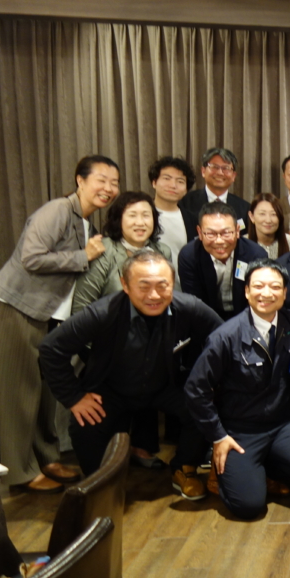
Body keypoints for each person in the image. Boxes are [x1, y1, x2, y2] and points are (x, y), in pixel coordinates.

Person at [38, 250, 222, 500]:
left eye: (162, 286)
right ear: (125, 285)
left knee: (202, 408)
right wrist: (73, 397)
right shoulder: (102, 312)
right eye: (143, 286)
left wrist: (207, 381)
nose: (154, 295)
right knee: (84, 426)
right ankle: (100, 482)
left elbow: (223, 338)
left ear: (172, 283)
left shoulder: (189, 307)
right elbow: (51, 348)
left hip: (164, 385)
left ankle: (184, 468)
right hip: (111, 389)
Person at [0, 155, 117, 492]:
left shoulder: (86, 224)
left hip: (47, 316)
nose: (109, 188)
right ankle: (20, 472)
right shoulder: (58, 210)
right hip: (17, 308)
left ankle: (45, 458)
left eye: (114, 183)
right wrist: (84, 256)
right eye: (101, 180)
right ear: (80, 180)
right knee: (18, 394)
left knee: (44, 393)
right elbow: (32, 257)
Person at [185, 260, 290, 519]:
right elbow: (196, 389)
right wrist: (218, 436)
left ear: (284, 292)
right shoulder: (225, 336)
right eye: (259, 286)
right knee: (248, 506)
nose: (267, 293)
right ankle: (223, 474)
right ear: (247, 291)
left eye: (275, 287)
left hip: (281, 425)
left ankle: (261, 470)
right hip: (240, 430)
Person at [71, 191, 174, 470]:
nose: (141, 222)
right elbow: (82, 305)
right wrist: (96, 352)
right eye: (133, 215)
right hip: (105, 346)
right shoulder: (104, 250)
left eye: (146, 215)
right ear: (118, 219)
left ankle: (141, 446)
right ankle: (110, 457)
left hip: (147, 345)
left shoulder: (162, 251)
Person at [177, 202, 268, 320]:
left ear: (237, 231)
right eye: (211, 234)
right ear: (200, 233)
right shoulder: (190, 256)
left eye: (226, 233)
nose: (219, 241)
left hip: (245, 317)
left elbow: (257, 298)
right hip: (206, 318)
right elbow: (195, 303)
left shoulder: (255, 254)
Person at [177, 147, 251, 240]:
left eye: (226, 168)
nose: (220, 173)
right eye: (214, 167)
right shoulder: (185, 203)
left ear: (233, 176)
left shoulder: (245, 208)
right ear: (203, 171)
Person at [148, 156, 196, 274]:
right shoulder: (140, 215)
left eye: (180, 181)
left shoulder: (193, 221)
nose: (173, 185)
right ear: (154, 182)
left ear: (186, 189)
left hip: (181, 284)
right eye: (167, 178)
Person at [246, 193, 290, 259]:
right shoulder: (241, 244)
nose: (268, 220)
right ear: (251, 216)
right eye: (262, 214)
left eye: (273, 214)